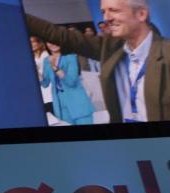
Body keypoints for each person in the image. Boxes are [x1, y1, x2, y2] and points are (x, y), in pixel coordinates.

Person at [25, 0, 170, 123]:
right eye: (103, 12)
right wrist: (15, 13)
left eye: (113, 10)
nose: (106, 18)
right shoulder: (111, 49)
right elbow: (59, 34)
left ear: (141, 14)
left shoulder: (166, 53)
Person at [41, 42, 95, 125]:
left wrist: (55, 67)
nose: (53, 44)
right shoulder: (46, 60)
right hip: (60, 106)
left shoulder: (71, 57)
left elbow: (71, 81)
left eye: (56, 40)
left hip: (77, 103)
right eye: (50, 42)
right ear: (46, 44)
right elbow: (45, 83)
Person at [30, 36, 54, 114]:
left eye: (33, 41)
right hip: (39, 93)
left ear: (40, 43)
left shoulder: (48, 56)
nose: (31, 44)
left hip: (51, 91)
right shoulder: (31, 58)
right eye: (29, 42)